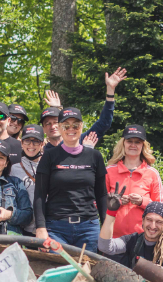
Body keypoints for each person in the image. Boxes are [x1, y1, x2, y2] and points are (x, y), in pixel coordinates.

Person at [33, 107, 108, 251]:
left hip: (88, 228)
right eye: (66, 126)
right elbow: (39, 195)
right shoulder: (49, 156)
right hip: (56, 228)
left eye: (75, 125)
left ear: (81, 126)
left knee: (86, 266)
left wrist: (105, 226)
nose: (71, 129)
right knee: (59, 265)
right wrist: (40, 228)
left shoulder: (95, 156)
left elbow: (102, 195)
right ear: (60, 128)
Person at [40, 67, 127, 151]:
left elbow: (104, 123)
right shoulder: (41, 149)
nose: (53, 126)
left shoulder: (82, 139)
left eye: (55, 122)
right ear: (43, 128)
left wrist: (110, 91)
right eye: (48, 123)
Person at [104, 125, 163, 238]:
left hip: (143, 237)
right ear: (123, 143)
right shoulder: (109, 171)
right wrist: (115, 202)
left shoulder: (152, 173)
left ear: (143, 145)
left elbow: (161, 208)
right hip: (113, 236)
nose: (133, 145)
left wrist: (142, 201)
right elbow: (96, 203)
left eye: (137, 142)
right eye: (129, 141)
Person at [99, 197, 163, 275]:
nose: (153, 226)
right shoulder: (133, 239)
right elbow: (105, 247)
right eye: (149, 220)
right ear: (143, 220)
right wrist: (111, 213)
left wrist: (154, 270)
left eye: (158, 222)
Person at [9, 125, 44, 236]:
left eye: (36, 141)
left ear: (42, 144)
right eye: (27, 141)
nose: (31, 145)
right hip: (23, 227)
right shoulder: (14, 169)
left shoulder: (48, 165)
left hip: (46, 227)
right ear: (21, 143)